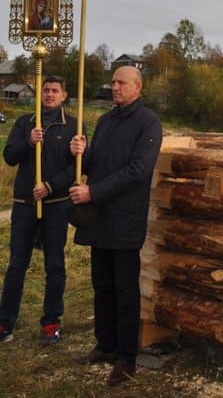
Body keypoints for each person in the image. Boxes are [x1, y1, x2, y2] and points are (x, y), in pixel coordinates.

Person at [69, 65, 162, 387]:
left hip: (125, 218)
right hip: (99, 219)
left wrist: (93, 191)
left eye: (121, 82)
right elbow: (97, 164)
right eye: (112, 82)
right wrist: (82, 153)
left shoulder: (148, 123)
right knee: (101, 285)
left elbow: (138, 171)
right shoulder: (106, 120)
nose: (115, 87)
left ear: (138, 86)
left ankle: (126, 357)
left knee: (124, 290)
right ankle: (105, 344)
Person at [0, 76, 79, 344]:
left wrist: (50, 186)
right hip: (24, 206)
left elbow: (76, 170)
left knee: (55, 265)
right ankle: (4, 323)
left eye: (55, 90)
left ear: (64, 95)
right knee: (16, 266)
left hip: (55, 206)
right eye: (45, 90)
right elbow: (9, 156)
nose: (49, 94)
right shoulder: (25, 123)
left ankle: (51, 323)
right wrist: (28, 143)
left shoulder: (73, 127)